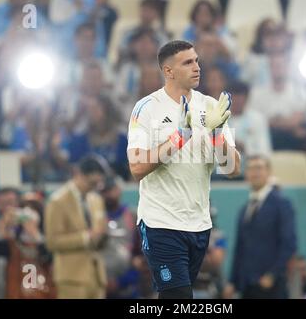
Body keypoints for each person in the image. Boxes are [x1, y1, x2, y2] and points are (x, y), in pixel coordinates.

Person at [127, 40, 241, 299]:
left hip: (199, 224)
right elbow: (137, 167)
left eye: (197, 60)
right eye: (187, 62)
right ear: (168, 71)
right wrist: (179, 137)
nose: (197, 67)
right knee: (178, 297)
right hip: (160, 222)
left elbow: (232, 168)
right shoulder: (146, 108)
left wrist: (216, 134)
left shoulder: (212, 106)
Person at [224, 155, 296, 299]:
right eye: (250, 168)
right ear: (246, 174)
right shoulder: (244, 209)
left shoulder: (281, 204)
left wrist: (272, 275)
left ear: (269, 172)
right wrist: (232, 281)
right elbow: (240, 248)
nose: (255, 173)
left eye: (259, 168)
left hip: (272, 287)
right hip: (247, 286)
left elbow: (289, 244)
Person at [45, 155, 109, 299]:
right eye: (91, 182)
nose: (94, 187)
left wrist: (103, 235)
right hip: (71, 277)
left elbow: (99, 232)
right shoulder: (58, 201)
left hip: (97, 276)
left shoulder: (96, 199)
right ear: (78, 174)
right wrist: (86, 237)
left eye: (98, 183)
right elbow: (52, 242)